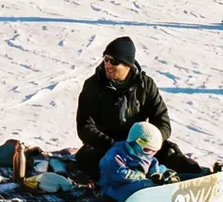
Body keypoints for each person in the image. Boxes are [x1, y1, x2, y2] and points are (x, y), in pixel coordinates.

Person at [73, 36, 176, 177]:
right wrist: (114, 145)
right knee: (85, 158)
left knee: (170, 151)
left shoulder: (145, 85)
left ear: (127, 65)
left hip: (140, 146)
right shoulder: (93, 85)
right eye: (106, 59)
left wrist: (148, 144)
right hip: (107, 147)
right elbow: (85, 126)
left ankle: (195, 178)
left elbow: (162, 122)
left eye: (114, 61)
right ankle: (131, 179)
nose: (108, 65)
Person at [98, 121, 211, 202]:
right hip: (114, 192)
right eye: (148, 150)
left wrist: (158, 175)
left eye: (154, 152)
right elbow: (118, 174)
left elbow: (154, 165)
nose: (150, 154)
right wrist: (147, 180)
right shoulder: (115, 154)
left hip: (141, 187)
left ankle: (199, 178)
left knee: (164, 173)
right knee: (144, 185)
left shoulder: (145, 155)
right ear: (135, 142)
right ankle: (159, 190)